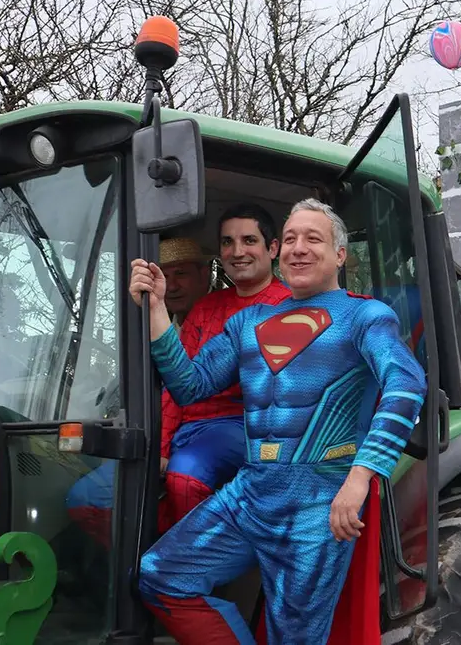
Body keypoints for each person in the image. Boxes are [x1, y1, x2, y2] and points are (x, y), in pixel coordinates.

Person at [133, 198, 427, 645]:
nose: (298, 248)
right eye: (290, 239)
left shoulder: (364, 315)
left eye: (313, 239)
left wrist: (360, 477)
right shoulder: (247, 321)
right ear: (278, 251)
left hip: (320, 502)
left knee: (295, 637)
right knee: (161, 575)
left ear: (340, 255)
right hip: (251, 493)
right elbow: (190, 384)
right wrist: (156, 309)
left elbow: (405, 387)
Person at [67, 209, 292, 545]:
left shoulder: (289, 307)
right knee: (84, 497)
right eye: (228, 242)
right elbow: (178, 384)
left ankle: (188, 569)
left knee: (185, 478)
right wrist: (160, 445)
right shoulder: (207, 307)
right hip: (186, 426)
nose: (237, 251)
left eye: (249, 241)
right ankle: (148, 558)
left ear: (272, 249)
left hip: (239, 425)